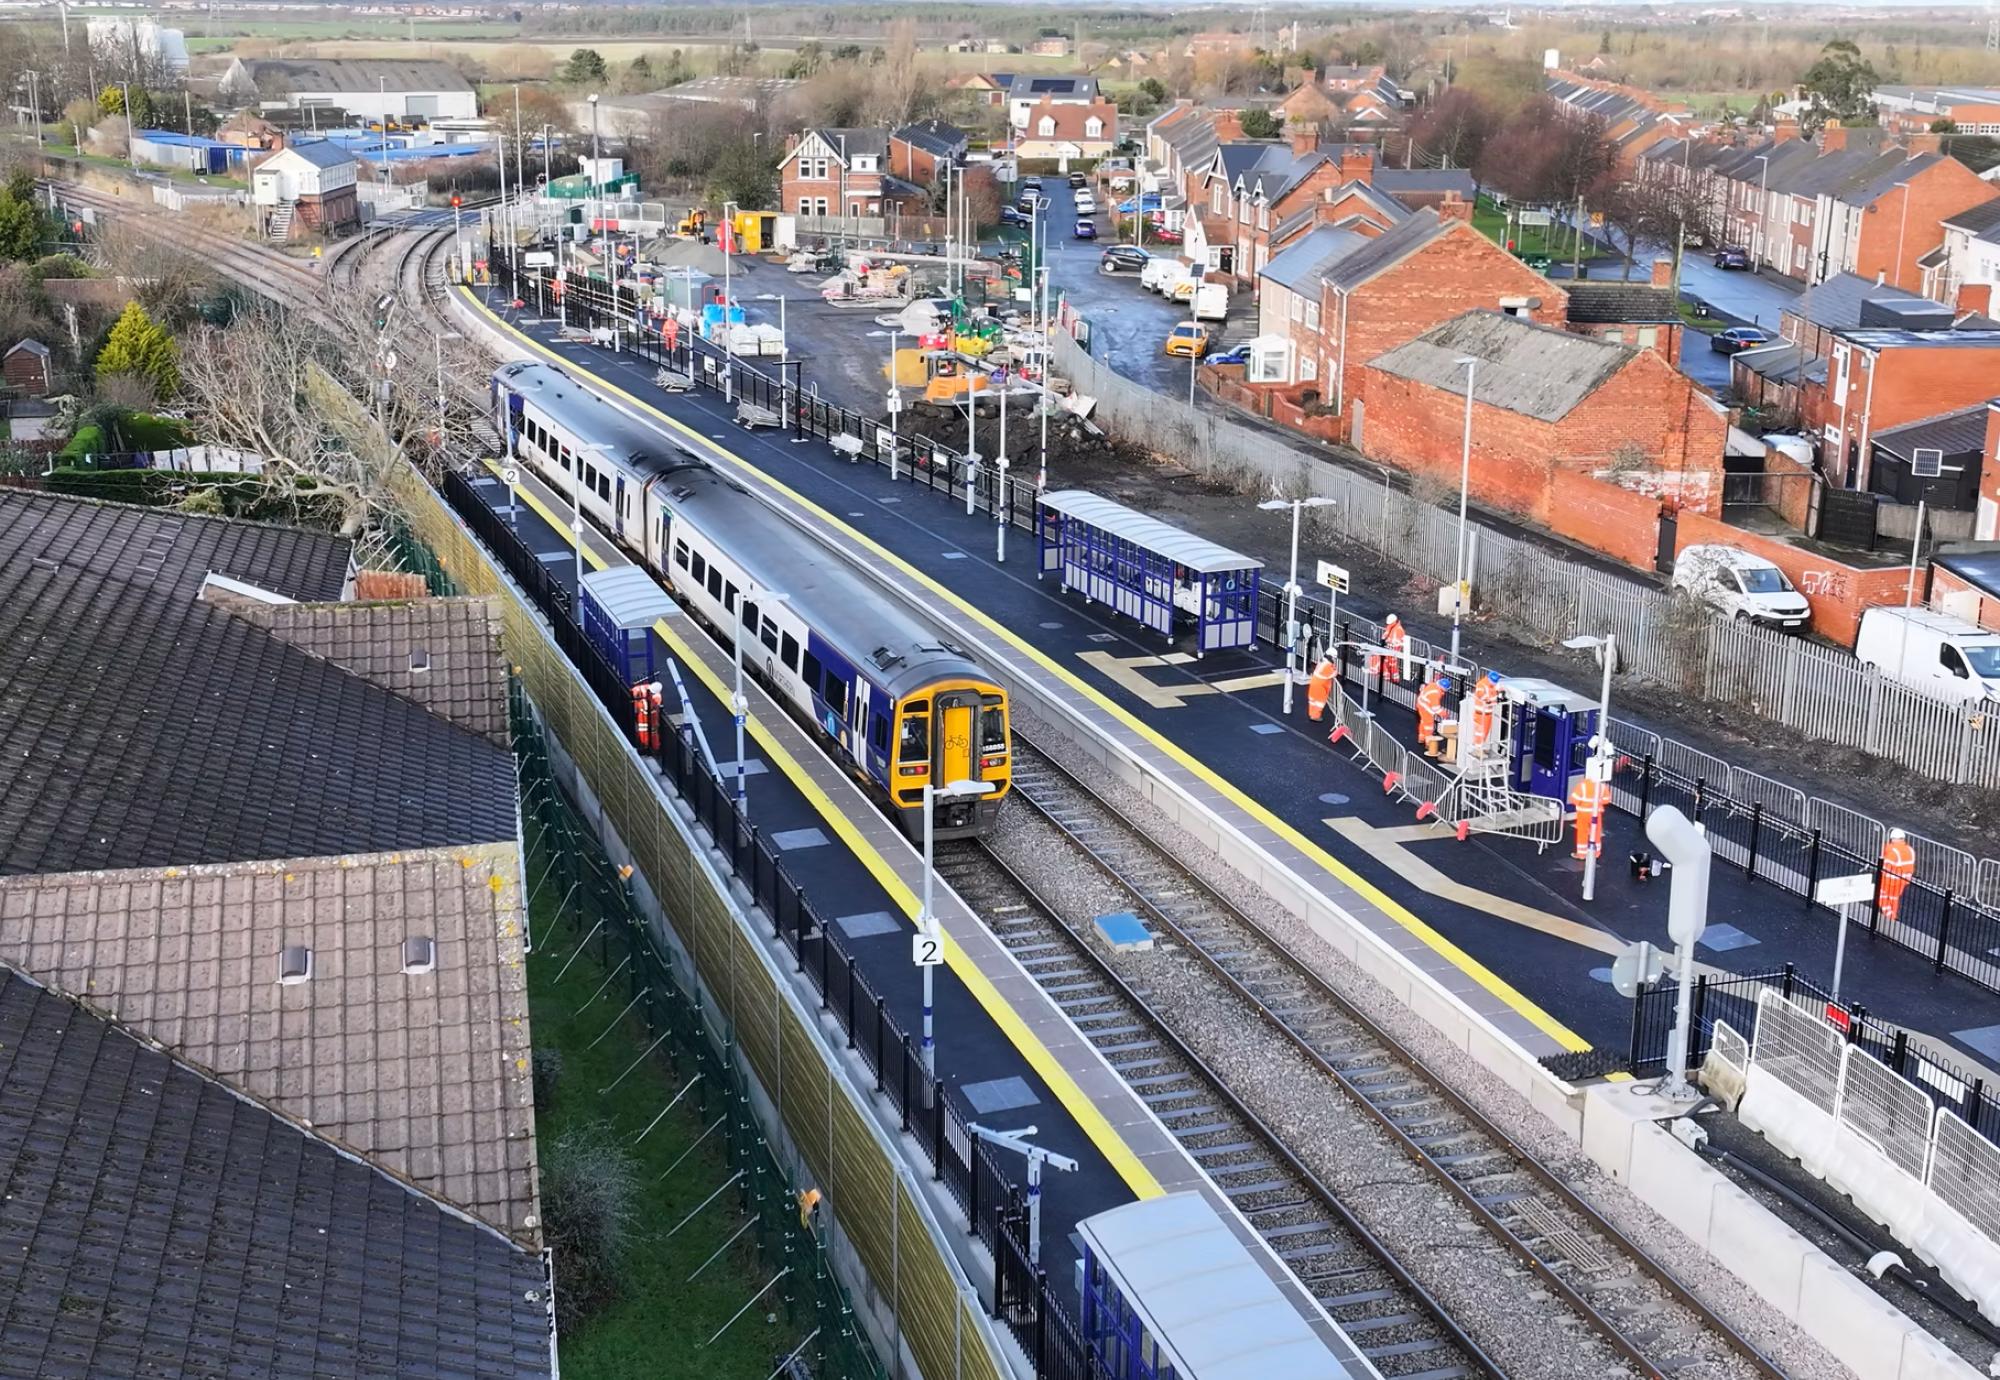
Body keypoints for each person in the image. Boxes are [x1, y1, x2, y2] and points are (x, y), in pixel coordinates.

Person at [1880, 828, 1917, 922]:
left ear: (1893, 839)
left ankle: (1889, 916)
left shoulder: (1892, 851)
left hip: (1890, 880)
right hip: (1904, 880)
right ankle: (1893, 915)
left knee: (1881, 896)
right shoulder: (1910, 850)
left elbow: (1886, 867)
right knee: (1894, 899)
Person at [1416, 674, 1449, 758]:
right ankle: (1429, 743)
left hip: (1421, 704)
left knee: (1423, 722)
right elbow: (1436, 708)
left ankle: (1421, 738)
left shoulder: (1434, 686)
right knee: (1429, 726)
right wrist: (1444, 714)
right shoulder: (1436, 693)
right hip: (1426, 708)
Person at [1469, 670, 1502, 752]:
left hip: (1488, 713)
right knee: (1480, 733)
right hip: (1480, 714)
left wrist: (1497, 693)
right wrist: (1494, 701)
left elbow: (1494, 692)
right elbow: (1483, 697)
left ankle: (1479, 748)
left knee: (1485, 732)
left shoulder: (1492, 685)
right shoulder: (1481, 684)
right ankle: (1477, 749)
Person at [1306, 654, 1337, 722]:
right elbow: (1333, 674)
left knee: (1313, 700)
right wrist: (1334, 669)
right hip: (1321, 685)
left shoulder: (1322, 662)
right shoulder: (1328, 665)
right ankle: (1315, 716)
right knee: (1319, 702)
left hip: (1314, 682)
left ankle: (1312, 714)